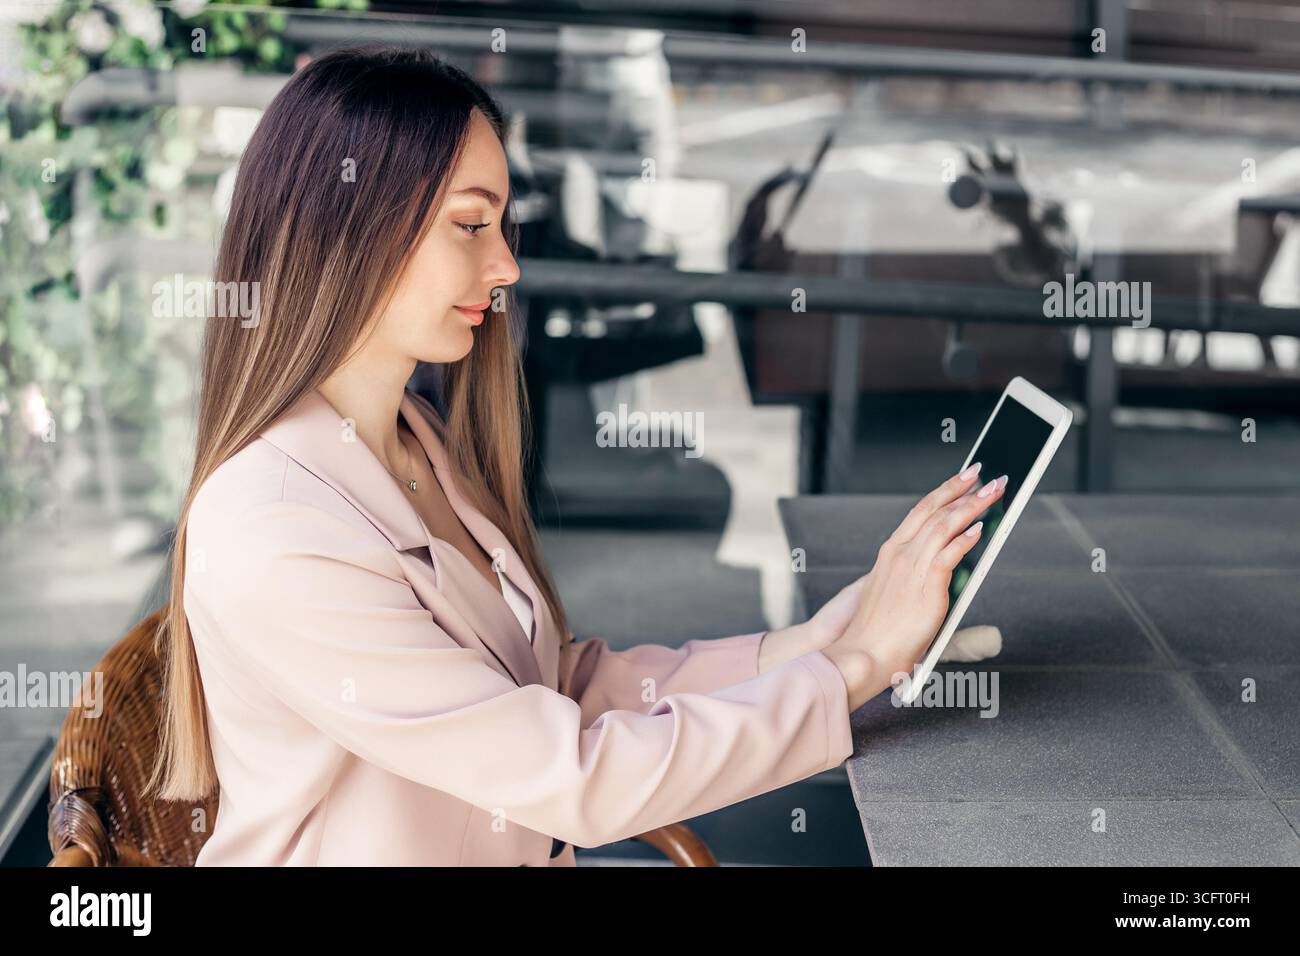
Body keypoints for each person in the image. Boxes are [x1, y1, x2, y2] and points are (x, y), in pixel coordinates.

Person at [150, 46, 1008, 866]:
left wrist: (820, 643)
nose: (506, 265)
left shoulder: (414, 438)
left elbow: (560, 687)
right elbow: (574, 778)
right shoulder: (274, 530)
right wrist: (856, 672)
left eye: (502, 226)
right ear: (350, 228)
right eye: (471, 224)